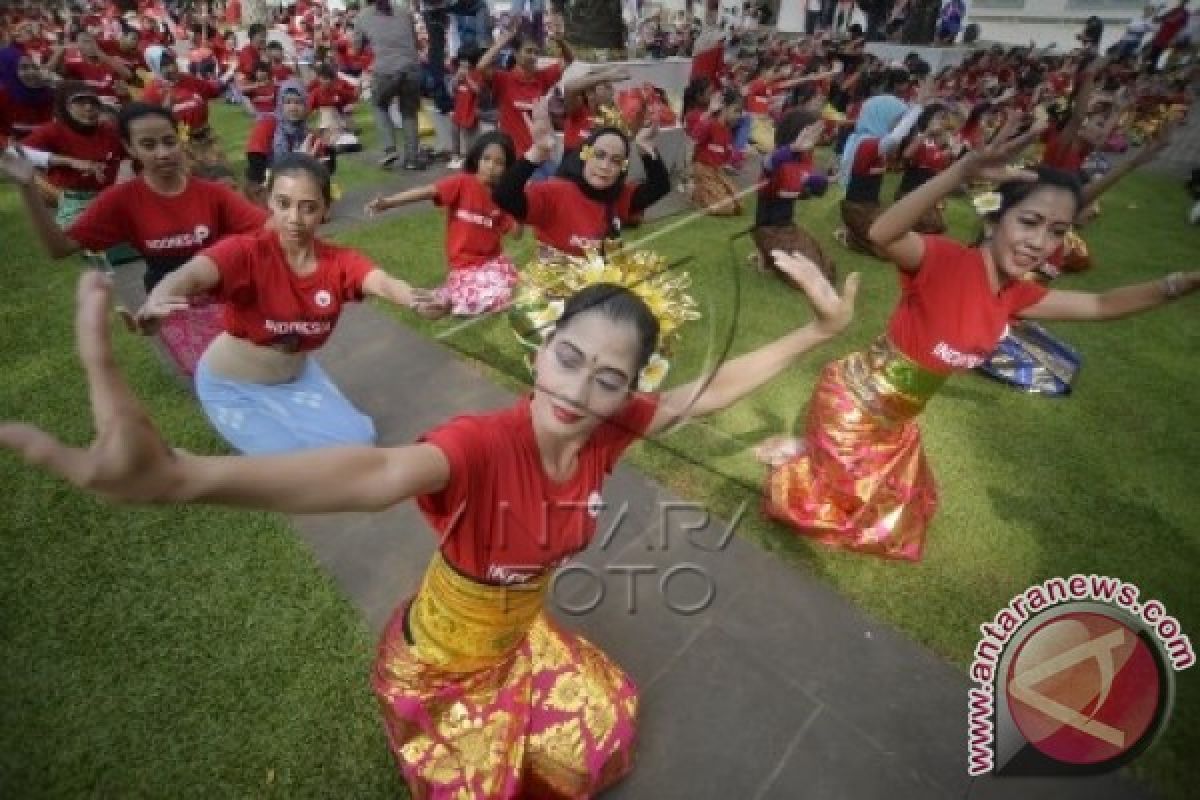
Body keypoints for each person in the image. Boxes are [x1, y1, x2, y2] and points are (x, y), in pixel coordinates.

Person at [0, 247, 857, 797]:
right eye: (567, 356)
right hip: (450, 650)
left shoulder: (617, 425)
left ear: (629, 388)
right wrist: (188, 478)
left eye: (607, 376)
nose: (576, 389)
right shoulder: (479, 444)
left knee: (596, 743)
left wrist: (815, 333)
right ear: (539, 347)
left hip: (524, 636)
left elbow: (709, 392)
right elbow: (374, 473)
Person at [758, 117, 1200, 561]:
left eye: (1057, 232)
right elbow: (881, 233)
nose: (1039, 243)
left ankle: (816, 456)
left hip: (897, 424)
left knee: (904, 513)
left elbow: (1102, 305)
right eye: (1029, 222)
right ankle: (810, 456)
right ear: (993, 221)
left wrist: (1183, 282)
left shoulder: (1016, 295)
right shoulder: (945, 261)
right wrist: (958, 173)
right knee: (840, 518)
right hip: (853, 401)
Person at [129, 153, 444, 454]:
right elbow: (193, 273)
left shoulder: (338, 262)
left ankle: (298, 410)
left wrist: (415, 300)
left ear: (325, 209)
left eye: (308, 208)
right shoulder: (246, 251)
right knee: (295, 464)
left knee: (359, 444)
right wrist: (161, 297)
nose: (294, 219)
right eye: (283, 204)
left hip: (296, 376)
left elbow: (382, 282)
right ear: (269, 202)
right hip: (232, 386)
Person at [1, 103, 268, 377]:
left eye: (168, 141)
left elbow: (268, 232)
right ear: (130, 148)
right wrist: (27, 187)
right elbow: (60, 247)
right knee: (216, 381)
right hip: (174, 309)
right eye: (148, 145)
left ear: (180, 140)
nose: (162, 153)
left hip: (229, 301)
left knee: (259, 376)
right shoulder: (122, 200)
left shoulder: (213, 194)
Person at [365, 131, 522, 316]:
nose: (491, 166)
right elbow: (426, 191)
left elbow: (517, 233)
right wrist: (389, 203)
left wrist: (517, 203)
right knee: (474, 301)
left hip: (491, 263)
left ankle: (448, 296)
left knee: (504, 294)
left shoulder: (502, 198)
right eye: (486, 159)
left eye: (499, 163)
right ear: (477, 159)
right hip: (464, 266)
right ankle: (444, 297)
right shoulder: (462, 183)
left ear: (507, 168)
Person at [493, 97, 670, 258]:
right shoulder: (556, 192)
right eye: (599, 155)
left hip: (604, 280)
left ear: (622, 168)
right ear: (584, 154)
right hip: (558, 283)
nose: (605, 166)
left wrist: (646, 148)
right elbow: (504, 196)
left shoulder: (617, 195)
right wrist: (538, 152)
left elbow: (660, 186)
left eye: (616, 161)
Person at [750, 109, 836, 284]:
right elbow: (768, 162)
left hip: (788, 227)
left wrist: (820, 180)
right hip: (769, 229)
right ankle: (765, 251)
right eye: (812, 132)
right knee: (809, 278)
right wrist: (793, 148)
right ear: (798, 132)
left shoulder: (803, 161)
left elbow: (819, 189)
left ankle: (769, 256)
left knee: (826, 269)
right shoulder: (777, 160)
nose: (818, 137)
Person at [835, 93, 921, 255]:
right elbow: (894, 139)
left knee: (898, 237)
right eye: (896, 120)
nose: (897, 124)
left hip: (869, 205)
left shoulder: (868, 139)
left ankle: (851, 232)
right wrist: (917, 109)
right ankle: (850, 235)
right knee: (888, 249)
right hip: (858, 207)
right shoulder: (868, 143)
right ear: (883, 117)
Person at [353, 0, 423, 170]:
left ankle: (389, 148)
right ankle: (412, 159)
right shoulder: (405, 11)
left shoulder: (362, 16)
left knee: (379, 105)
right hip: (412, 68)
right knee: (409, 113)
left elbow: (356, 50)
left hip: (385, 70)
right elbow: (415, 42)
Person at [689, 88, 743, 216]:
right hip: (703, 169)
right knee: (726, 208)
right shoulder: (709, 124)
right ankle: (695, 193)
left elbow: (725, 156)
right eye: (736, 111)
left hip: (717, 171)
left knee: (739, 203)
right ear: (724, 108)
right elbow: (694, 138)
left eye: (740, 112)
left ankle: (705, 194)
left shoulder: (728, 131)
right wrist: (708, 112)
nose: (739, 116)